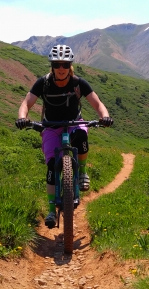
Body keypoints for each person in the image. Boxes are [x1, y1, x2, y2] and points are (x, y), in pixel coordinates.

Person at [15, 44, 113, 229]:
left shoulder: (78, 83)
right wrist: (22, 118)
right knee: (52, 166)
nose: (61, 68)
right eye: (57, 64)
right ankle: (52, 210)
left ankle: (82, 173)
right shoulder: (43, 83)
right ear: (52, 66)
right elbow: (26, 104)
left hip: (74, 122)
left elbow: (98, 103)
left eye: (65, 65)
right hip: (51, 126)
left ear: (70, 66)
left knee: (82, 137)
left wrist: (104, 116)